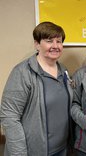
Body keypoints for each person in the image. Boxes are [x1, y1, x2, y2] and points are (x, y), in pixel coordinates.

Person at [0, 22, 73, 156]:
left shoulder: (63, 70)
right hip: (33, 151)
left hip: (62, 149)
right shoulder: (22, 72)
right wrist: (19, 153)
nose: (55, 46)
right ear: (37, 44)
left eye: (59, 41)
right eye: (49, 41)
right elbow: (9, 116)